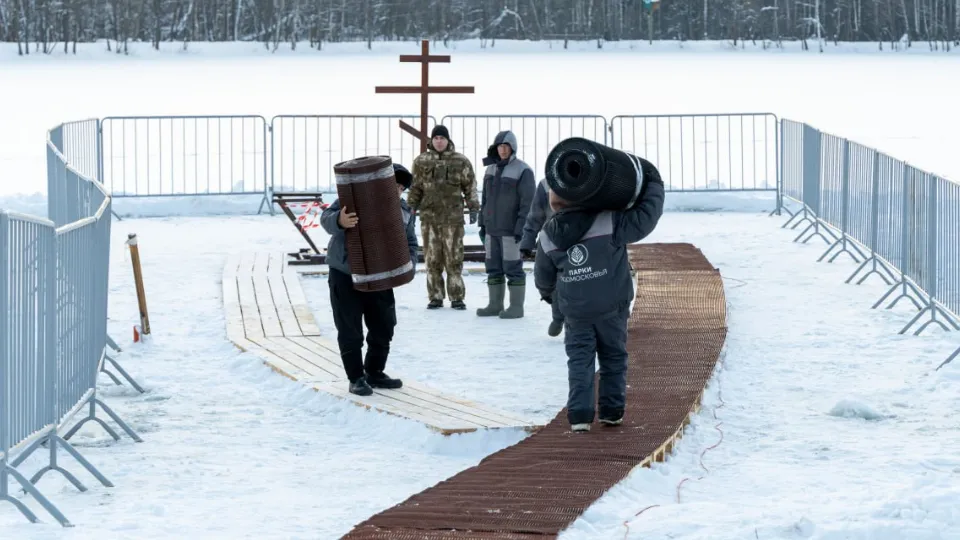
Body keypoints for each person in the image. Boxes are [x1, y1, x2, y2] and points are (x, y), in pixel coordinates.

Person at [534, 158, 665, 432]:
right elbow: (646, 217)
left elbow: (543, 276)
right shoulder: (608, 221)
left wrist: (554, 299)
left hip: (576, 312)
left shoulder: (548, 234)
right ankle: (611, 411)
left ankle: (580, 416)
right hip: (611, 305)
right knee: (613, 357)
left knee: (580, 361)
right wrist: (654, 184)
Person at [319, 163, 419, 396]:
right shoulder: (355, 199)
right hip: (345, 274)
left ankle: (374, 371)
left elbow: (411, 244)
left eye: (401, 187)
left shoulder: (404, 212)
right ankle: (356, 378)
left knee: (384, 325)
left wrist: (409, 266)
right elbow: (326, 218)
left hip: (380, 276)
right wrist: (340, 221)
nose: (397, 190)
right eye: (393, 184)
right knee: (350, 328)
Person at [409, 125, 481, 310]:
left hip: (453, 219)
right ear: (431, 141)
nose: (439, 141)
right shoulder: (421, 161)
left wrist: (473, 207)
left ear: (448, 140)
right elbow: (416, 187)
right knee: (432, 259)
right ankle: (436, 297)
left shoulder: (460, 161)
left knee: (454, 258)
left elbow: (470, 185)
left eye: (442, 138)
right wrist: (410, 208)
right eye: (436, 138)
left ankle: (457, 297)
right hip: (429, 219)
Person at [476, 130, 535, 319]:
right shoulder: (490, 169)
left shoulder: (523, 170)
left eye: (506, 146)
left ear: (513, 148)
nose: (502, 150)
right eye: (499, 146)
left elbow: (528, 203)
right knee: (493, 267)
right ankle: (495, 304)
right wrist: (482, 223)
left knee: (513, 268)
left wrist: (522, 229)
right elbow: (484, 200)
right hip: (492, 230)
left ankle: (516, 307)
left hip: (511, 231)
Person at [519, 179, 563, 336]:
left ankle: (560, 318)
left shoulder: (590, 176)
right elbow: (535, 215)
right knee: (543, 280)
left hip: (578, 238)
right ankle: (557, 307)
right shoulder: (546, 183)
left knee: (569, 280)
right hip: (550, 238)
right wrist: (527, 242)